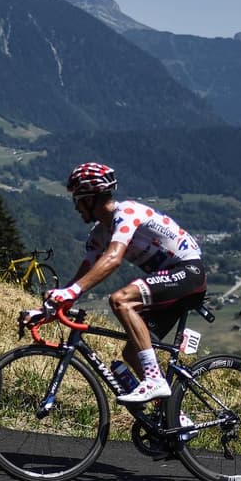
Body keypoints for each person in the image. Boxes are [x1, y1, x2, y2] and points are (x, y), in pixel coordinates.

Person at [36, 162, 206, 403]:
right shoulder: (99, 234)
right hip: (169, 284)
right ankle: (173, 418)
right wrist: (53, 304)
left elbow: (113, 258)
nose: (75, 207)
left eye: (77, 200)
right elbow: (86, 272)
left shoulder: (126, 213)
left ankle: (154, 381)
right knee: (132, 351)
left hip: (189, 271)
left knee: (120, 300)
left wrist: (71, 291)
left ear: (89, 198)